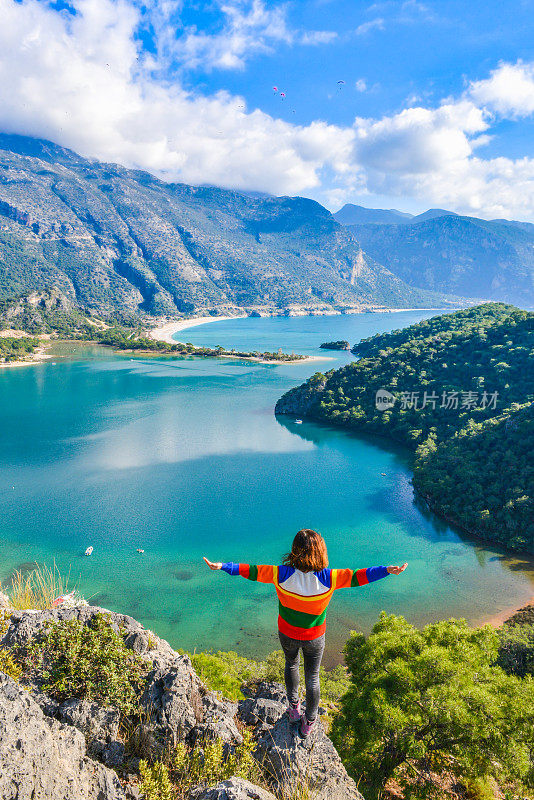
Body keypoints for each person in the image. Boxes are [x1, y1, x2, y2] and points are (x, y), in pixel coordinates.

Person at [203, 528, 408, 738]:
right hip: (314, 637)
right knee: (313, 677)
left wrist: (222, 566)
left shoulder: (280, 574)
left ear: (295, 550)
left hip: (287, 632)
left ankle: (293, 710)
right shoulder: (330, 578)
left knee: (291, 664)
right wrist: (386, 570)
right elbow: (359, 576)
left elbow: (250, 570)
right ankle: (308, 722)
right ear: (321, 551)